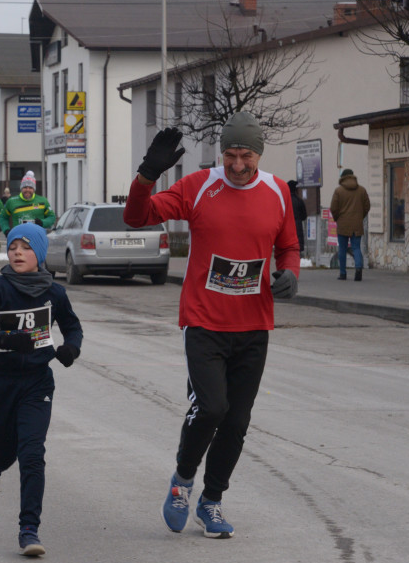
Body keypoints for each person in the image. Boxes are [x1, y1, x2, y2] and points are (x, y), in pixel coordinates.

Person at [123, 113, 299, 539]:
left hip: (254, 325)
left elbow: (288, 244)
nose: (238, 165)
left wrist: (290, 272)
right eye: (231, 155)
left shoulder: (277, 191)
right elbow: (136, 217)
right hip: (203, 321)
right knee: (213, 407)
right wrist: (147, 175)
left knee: (237, 421)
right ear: (222, 153)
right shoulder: (199, 186)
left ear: (259, 154)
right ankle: (183, 482)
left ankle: (212, 501)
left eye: (247, 156)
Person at [0, 223, 83, 557]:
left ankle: (29, 529)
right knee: (5, 451)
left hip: (37, 383)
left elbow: (72, 327)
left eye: (26, 247)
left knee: (32, 453)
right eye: (13, 246)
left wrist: (71, 349)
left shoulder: (54, 293)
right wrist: (3, 339)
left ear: (40, 254)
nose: (17, 252)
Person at [330, 168, 370, 281]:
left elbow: (334, 208)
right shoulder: (362, 190)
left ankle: (343, 273)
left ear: (342, 178)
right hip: (357, 224)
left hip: (342, 223)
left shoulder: (339, 191)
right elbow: (367, 206)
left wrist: (337, 218)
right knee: (356, 247)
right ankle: (358, 269)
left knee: (342, 248)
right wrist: (360, 216)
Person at [287, 180, 307, 256]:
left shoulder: (285, 200)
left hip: (287, 227)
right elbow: (304, 216)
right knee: (297, 249)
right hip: (298, 226)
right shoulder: (299, 201)